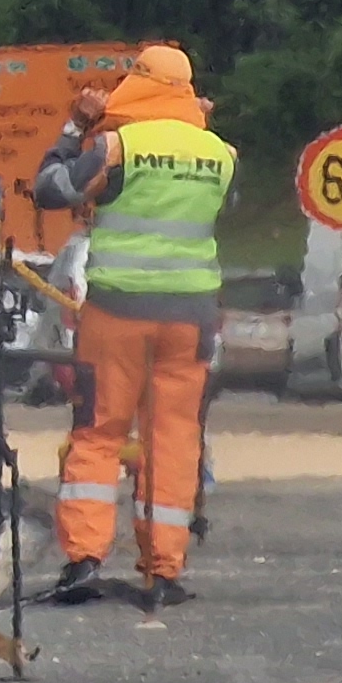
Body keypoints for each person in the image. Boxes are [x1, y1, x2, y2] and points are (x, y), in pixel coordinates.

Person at [30, 42, 237, 606]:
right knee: (173, 436)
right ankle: (163, 568)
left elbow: (51, 190)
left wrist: (75, 129)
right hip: (191, 318)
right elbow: (223, 204)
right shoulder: (221, 153)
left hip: (118, 311)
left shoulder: (117, 146)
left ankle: (84, 559)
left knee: (100, 431)